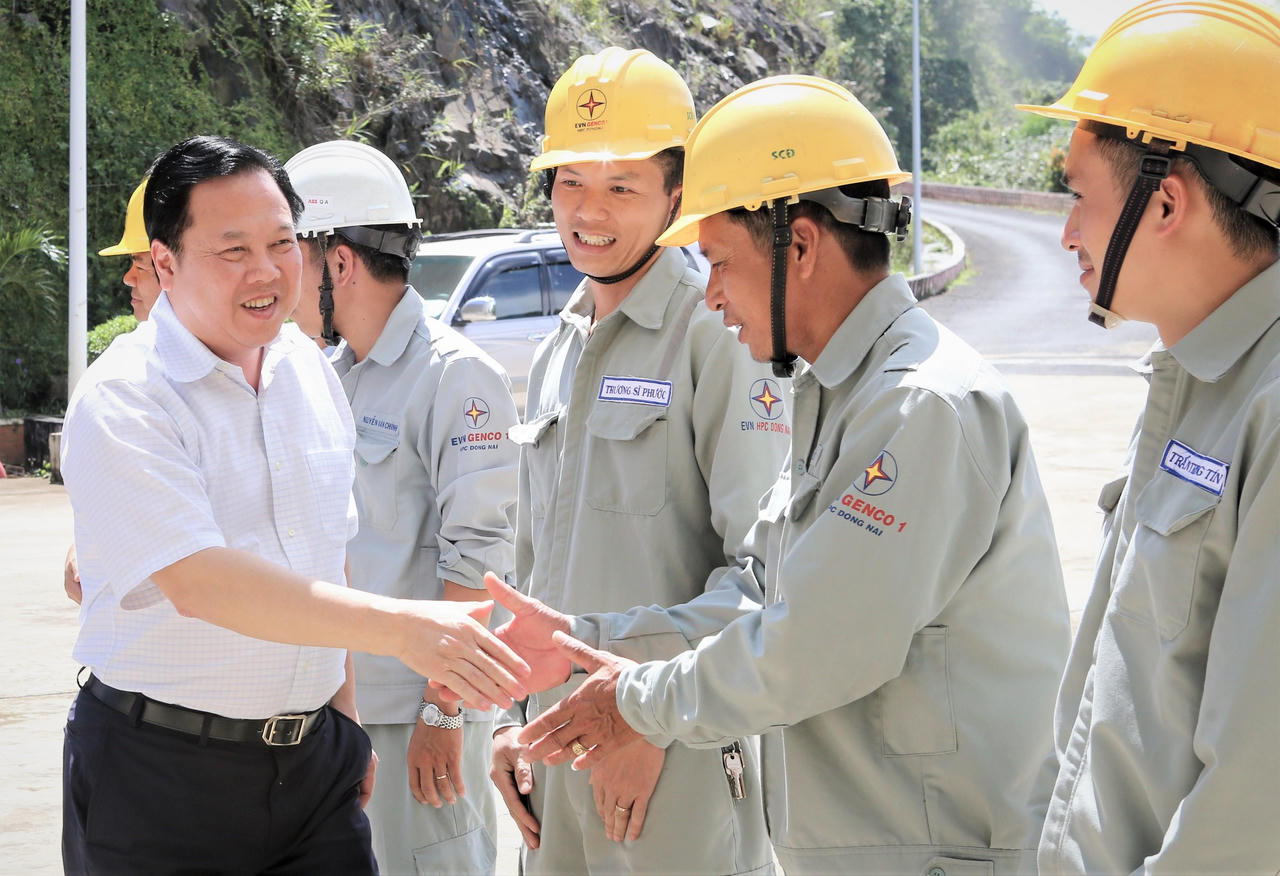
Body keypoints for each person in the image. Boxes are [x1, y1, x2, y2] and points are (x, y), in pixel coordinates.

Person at [502, 75, 1072, 875]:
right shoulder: (838, 397)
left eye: (721, 263)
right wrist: (583, 649)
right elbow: (770, 591)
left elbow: (814, 644)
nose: (716, 298)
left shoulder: (919, 407)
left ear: (800, 246)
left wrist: (635, 704)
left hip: (932, 850)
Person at [59, 135, 529, 874]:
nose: (266, 270)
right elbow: (202, 582)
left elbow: (326, 551)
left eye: (281, 243)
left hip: (313, 769)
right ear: (164, 262)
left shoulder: (308, 373)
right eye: (233, 248)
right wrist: (400, 629)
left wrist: (339, 719)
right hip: (164, 776)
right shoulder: (126, 396)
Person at [489, 47, 787, 875]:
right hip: (552, 753)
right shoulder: (559, 348)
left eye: (623, 186)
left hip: (667, 757)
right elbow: (530, 575)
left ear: (677, 195)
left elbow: (762, 580)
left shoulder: (717, 335)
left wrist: (648, 718)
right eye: (571, 181)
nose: (590, 210)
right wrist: (509, 720)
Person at [1013, 1, 1280, 871]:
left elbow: (1253, 798)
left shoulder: (1267, 406)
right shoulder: (1192, 380)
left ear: (1165, 200)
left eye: (1078, 197)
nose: (1064, 233)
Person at [286, 139, 519, 875]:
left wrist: (443, 709)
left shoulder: (456, 378)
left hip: (419, 718)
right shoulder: (333, 376)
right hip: (346, 710)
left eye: (289, 254)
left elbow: (480, 561)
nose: (274, 276)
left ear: (339, 263)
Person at [63, 177, 164, 603]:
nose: (127, 278)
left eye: (139, 263)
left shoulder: (286, 368)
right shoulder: (123, 377)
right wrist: (82, 545)